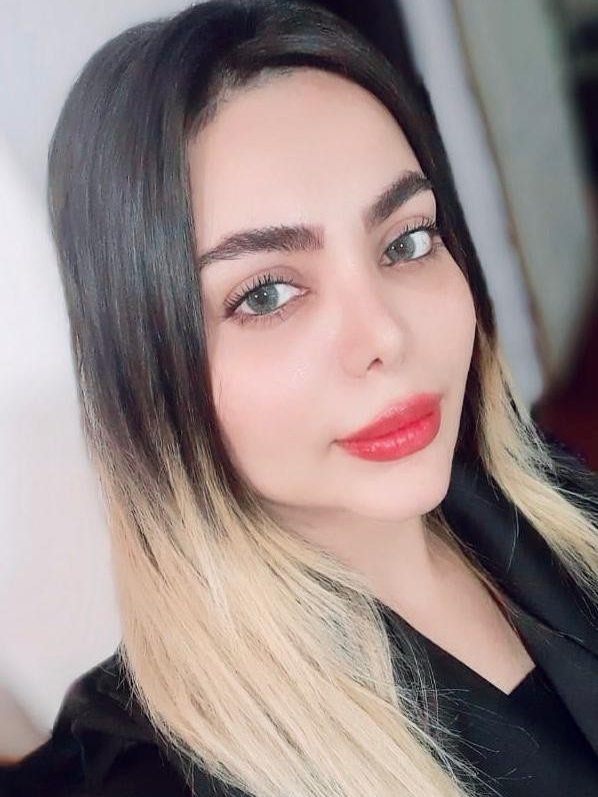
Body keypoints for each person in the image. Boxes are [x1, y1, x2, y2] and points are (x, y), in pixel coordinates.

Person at [2, 0, 598, 795]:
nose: (383, 334)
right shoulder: (147, 770)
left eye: (406, 241)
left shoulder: (552, 500)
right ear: (146, 369)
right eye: (266, 294)